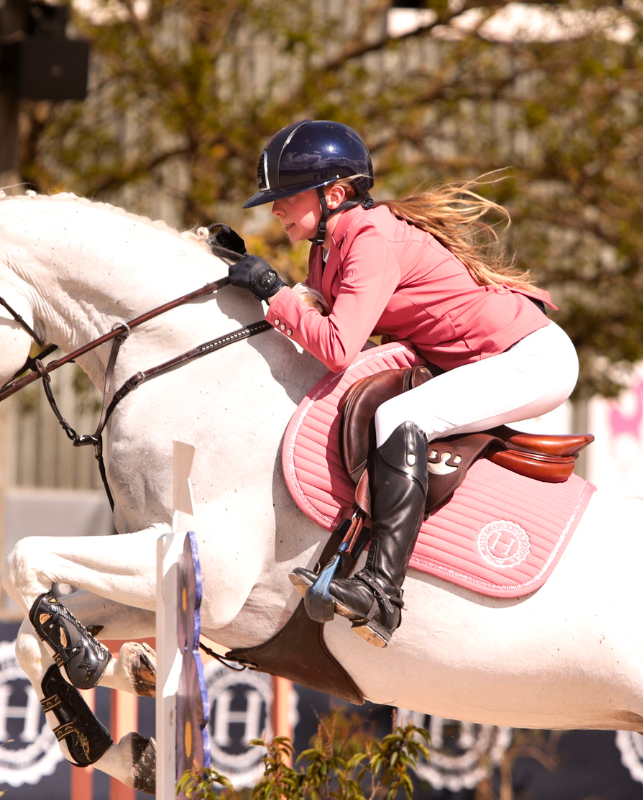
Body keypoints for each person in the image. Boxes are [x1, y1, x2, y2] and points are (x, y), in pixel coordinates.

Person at [229, 119, 579, 648]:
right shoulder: (326, 245)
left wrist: (274, 290)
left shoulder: (368, 237)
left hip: (530, 360)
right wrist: (245, 278)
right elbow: (313, 309)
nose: (275, 208)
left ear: (335, 194)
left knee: (399, 416)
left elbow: (338, 348)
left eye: (285, 197)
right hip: (488, 358)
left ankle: (382, 592)